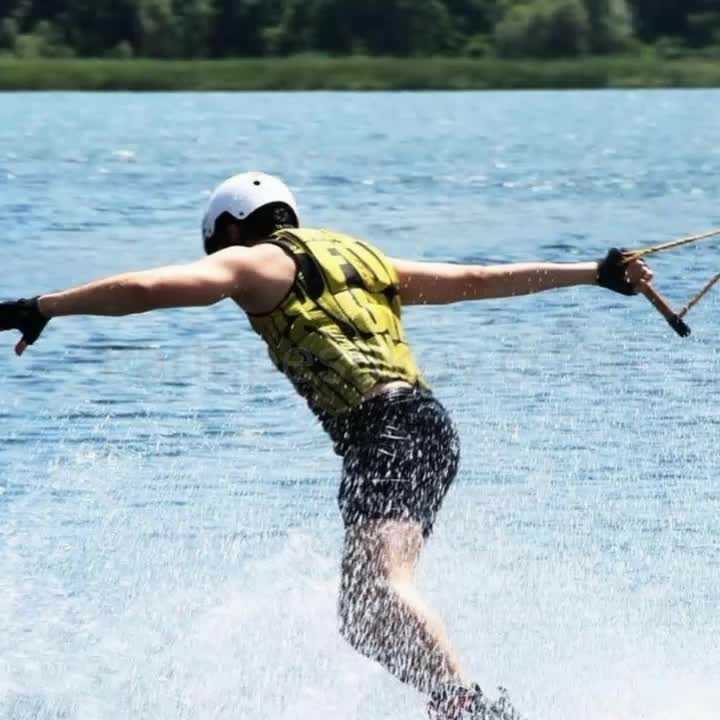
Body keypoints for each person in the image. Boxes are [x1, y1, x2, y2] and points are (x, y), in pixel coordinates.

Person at [0, 172, 654, 719]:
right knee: (363, 615)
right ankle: (457, 703)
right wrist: (595, 273)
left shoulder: (253, 260)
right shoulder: (365, 259)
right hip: (428, 426)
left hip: (384, 429)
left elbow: (144, 291)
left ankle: (466, 706)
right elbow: (477, 280)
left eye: (216, 248)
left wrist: (43, 305)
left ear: (230, 228)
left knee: (382, 588)